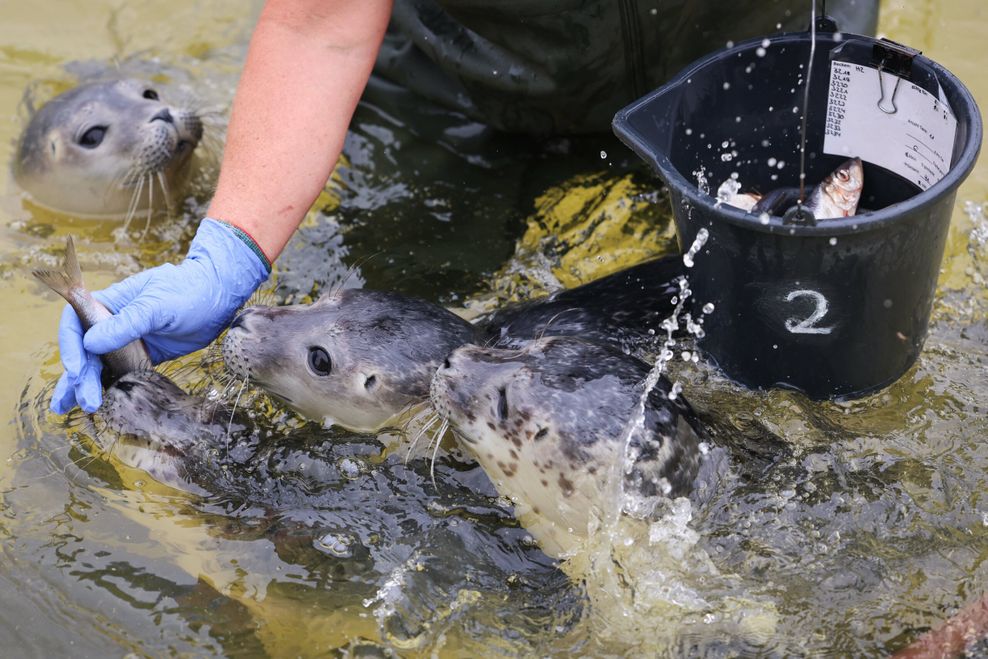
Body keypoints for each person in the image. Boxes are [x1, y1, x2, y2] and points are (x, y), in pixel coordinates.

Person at [51, 0, 879, 414]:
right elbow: (320, 23)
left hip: (753, 41)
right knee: (394, 353)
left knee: (805, 365)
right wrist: (227, 250)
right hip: (464, 64)